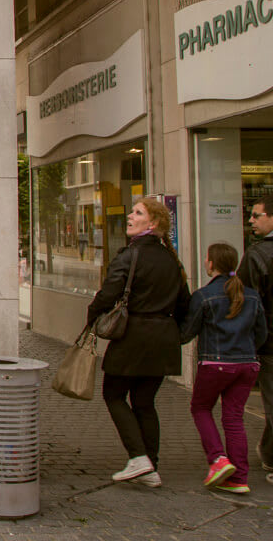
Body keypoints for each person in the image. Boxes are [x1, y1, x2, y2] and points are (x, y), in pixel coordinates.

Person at [86, 197, 190, 487]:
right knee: (144, 402)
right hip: (163, 339)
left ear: (152, 223)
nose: (130, 216)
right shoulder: (172, 260)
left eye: (137, 213)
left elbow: (108, 295)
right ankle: (151, 467)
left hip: (134, 338)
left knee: (114, 394)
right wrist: (175, 333)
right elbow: (186, 304)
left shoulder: (130, 255)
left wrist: (92, 317)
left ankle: (138, 458)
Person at [180, 242, 267, 494]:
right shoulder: (250, 294)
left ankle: (218, 459)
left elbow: (187, 333)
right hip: (247, 365)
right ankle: (239, 477)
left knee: (201, 408)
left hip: (215, 364)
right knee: (234, 418)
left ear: (210, 264)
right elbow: (260, 334)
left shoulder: (203, 296)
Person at [237, 194, 273, 481]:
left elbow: (247, 302)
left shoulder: (258, 254)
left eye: (256, 215)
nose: (250, 220)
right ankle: (268, 453)